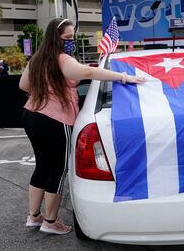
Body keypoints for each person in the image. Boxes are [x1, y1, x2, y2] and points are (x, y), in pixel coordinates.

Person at [19, 18, 146, 235]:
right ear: (56, 38)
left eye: (72, 37)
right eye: (67, 38)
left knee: (42, 165)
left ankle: (34, 216)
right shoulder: (62, 60)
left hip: (31, 115)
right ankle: (51, 221)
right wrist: (124, 77)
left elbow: (23, 85)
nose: (71, 41)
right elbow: (87, 73)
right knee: (58, 170)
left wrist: (46, 87)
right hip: (56, 120)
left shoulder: (38, 59)